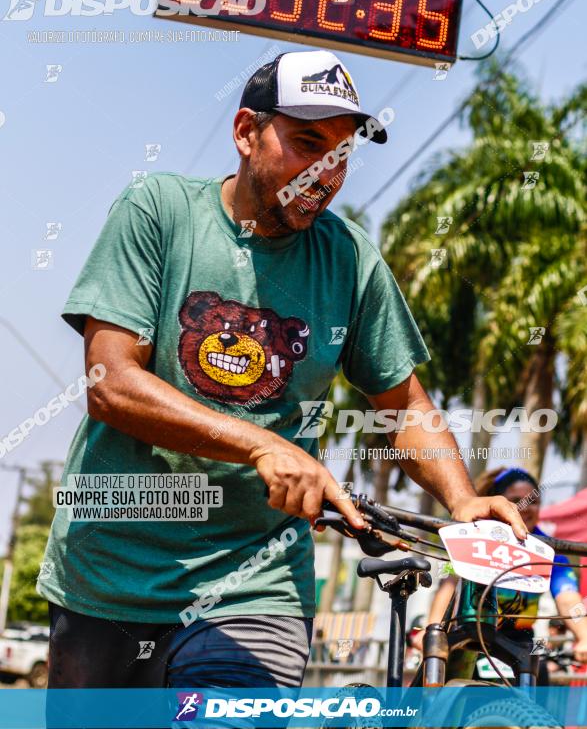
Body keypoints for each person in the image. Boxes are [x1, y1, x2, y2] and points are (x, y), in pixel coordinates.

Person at [38, 49, 526, 691]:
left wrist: (461, 500)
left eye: (343, 153)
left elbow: (404, 407)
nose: (328, 171)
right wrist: (263, 444)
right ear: (245, 132)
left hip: (254, 589)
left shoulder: (350, 260)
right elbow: (111, 383)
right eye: (307, 143)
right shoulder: (158, 211)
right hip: (107, 576)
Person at [412, 466, 587, 675]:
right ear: (500, 503)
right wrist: (433, 631)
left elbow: (568, 599)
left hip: (524, 641)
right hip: (472, 636)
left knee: (541, 666)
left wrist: (584, 634)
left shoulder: (549, 551)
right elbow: (449, 585)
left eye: (534, 501)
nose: (527, 508)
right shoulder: (477, 536)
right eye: (516, 500)